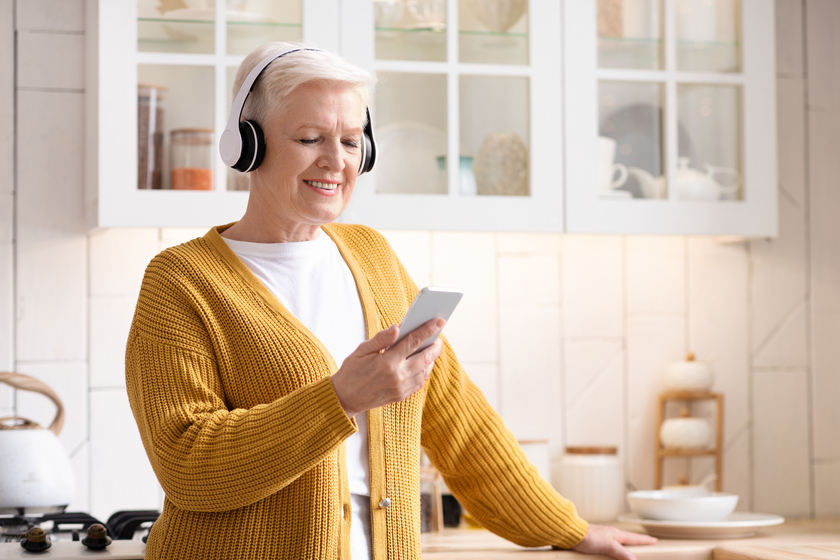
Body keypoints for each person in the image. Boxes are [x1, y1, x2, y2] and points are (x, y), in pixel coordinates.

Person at [125, 41, 657, 560]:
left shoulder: (373, 258)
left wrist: (569, 529)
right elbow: (188, 463)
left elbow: (461, 425)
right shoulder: (182, 282)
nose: (336, 161)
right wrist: (338, 399)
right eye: (311, 137)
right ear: (248, 145)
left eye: (353, 142)